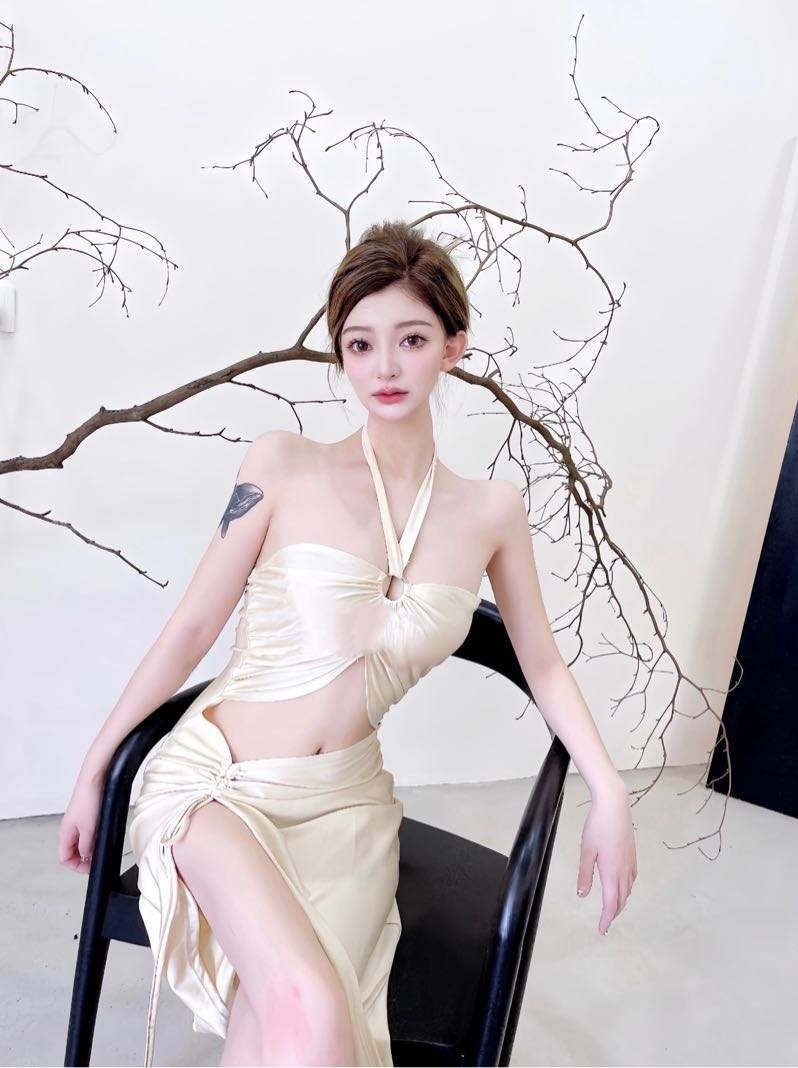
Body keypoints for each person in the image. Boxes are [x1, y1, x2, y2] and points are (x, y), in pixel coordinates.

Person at [59, 219, 637, 1067]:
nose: (385, 367)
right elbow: (190, 630)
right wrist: (95, 771)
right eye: (361, 345)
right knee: (311, 1005)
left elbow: (541, 663)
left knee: (288, 1022)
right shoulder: (281, 464)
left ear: (454, 347)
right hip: (220, 788)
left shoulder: (490, 512)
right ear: (342, 356)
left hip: (347, 807)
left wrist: (610, 791)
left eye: (412, 339)